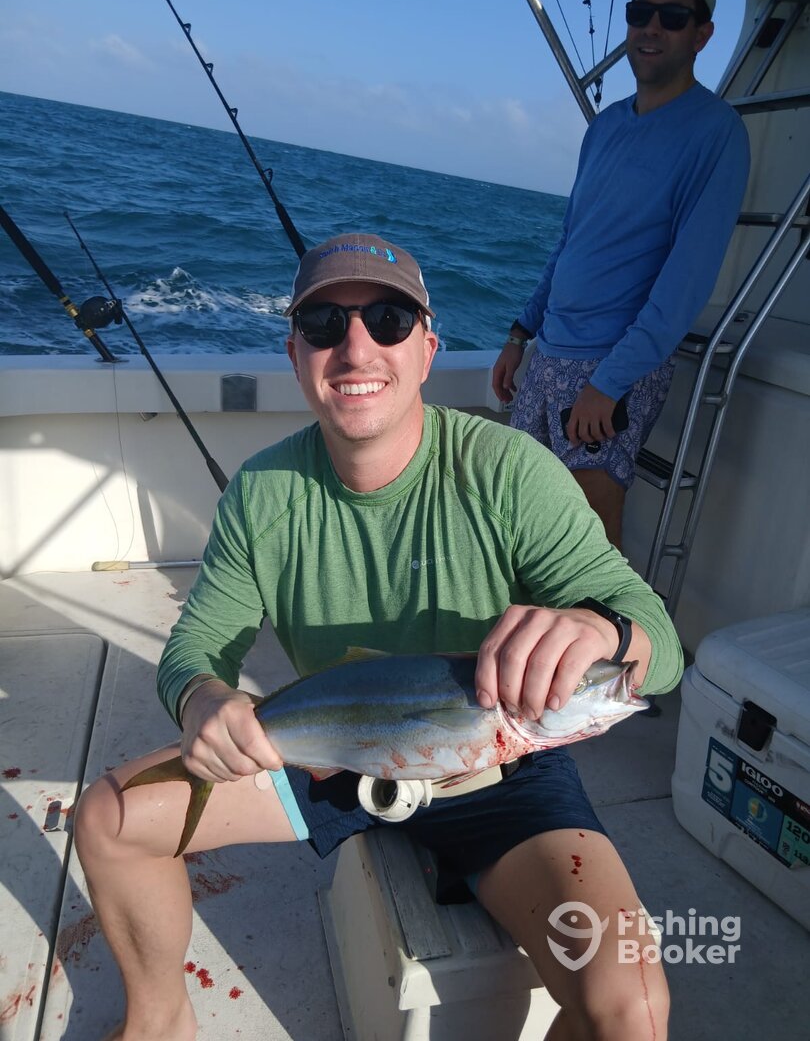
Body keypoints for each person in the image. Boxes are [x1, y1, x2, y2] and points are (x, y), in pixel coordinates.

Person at [75, 231, 684, 1041]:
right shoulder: (263, 493)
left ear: (428, 350)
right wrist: (203, 701)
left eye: (389, 321)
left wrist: (600, 626)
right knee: (107, 821)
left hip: (502, 768)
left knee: (632, 1009)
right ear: (296, 355)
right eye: (324, 324)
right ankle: (160, 1023)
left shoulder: (509, 471)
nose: (356, 347)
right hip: (336, 750)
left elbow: (659, 646)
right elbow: (196, 648)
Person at [492, 0, 750, 549]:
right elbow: (570, 242)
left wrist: (608, 384)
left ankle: (607, 618)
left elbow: (684, 285)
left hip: (611, 368)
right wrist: (519, 334)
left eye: (673, 16)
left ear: (701, 35)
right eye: (640, 13)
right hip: (549, 355)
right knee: (518, 515)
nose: (651, 27)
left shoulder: (717, 134)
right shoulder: (604, 127)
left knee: (589, 535)